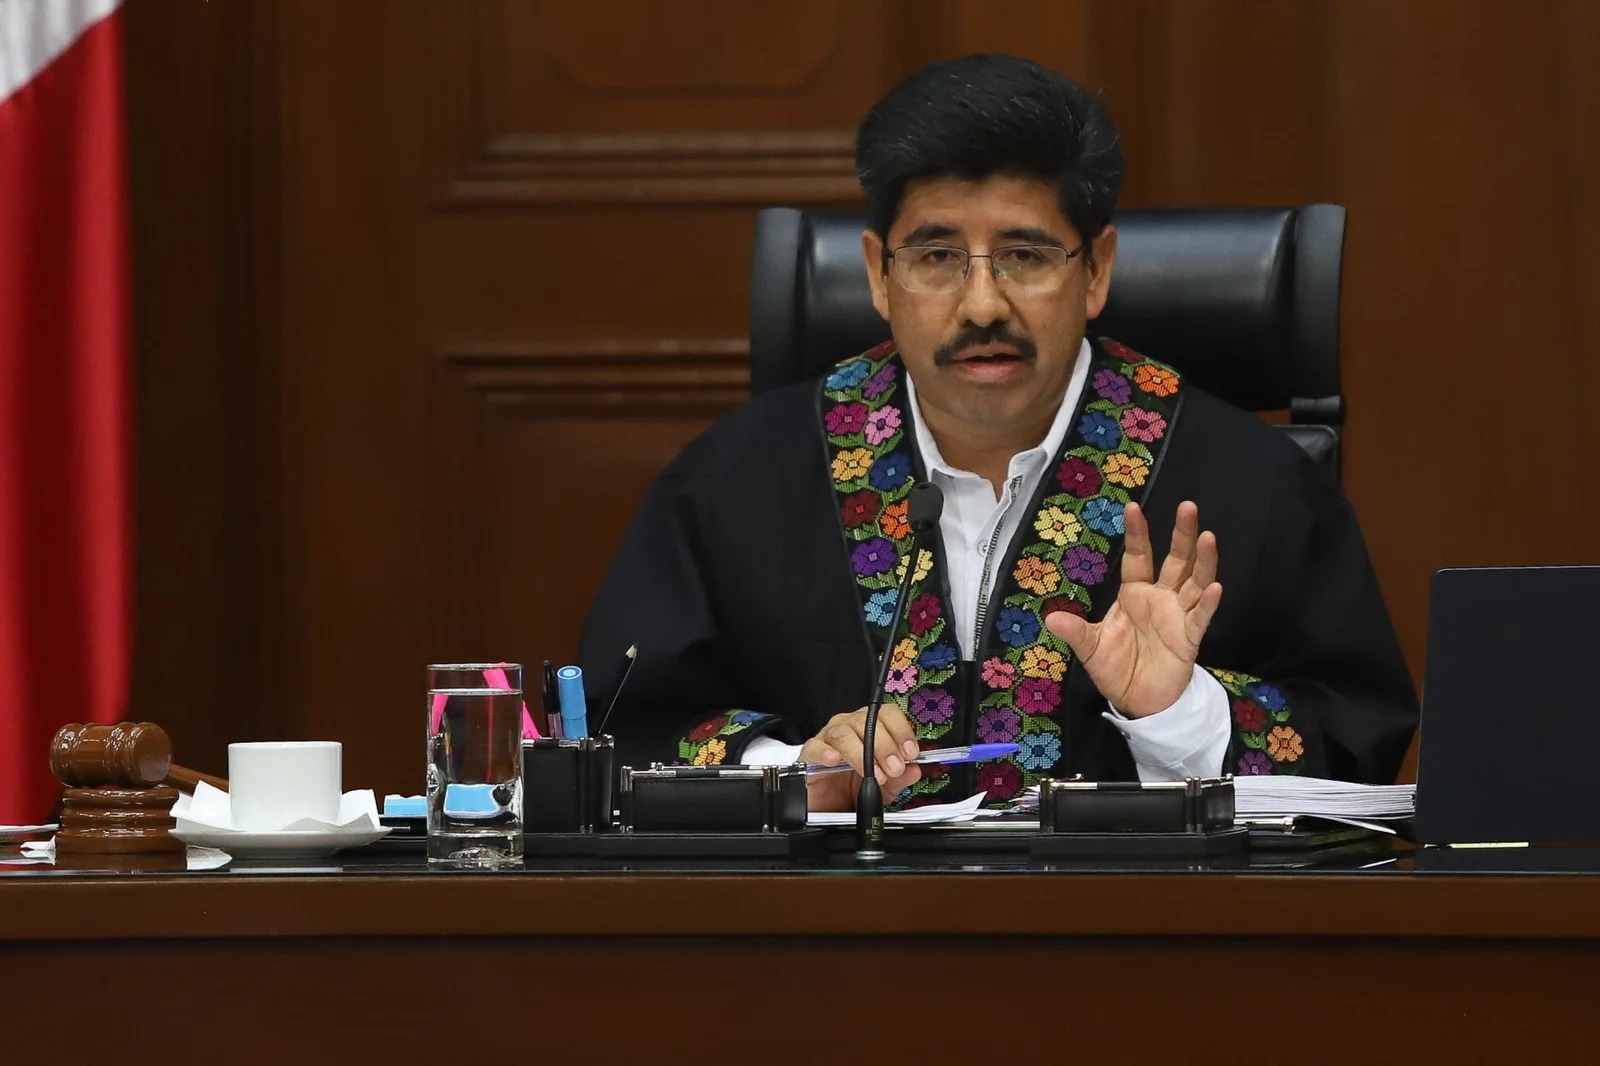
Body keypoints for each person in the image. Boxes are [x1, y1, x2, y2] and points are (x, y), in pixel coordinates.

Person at [578, 54, 1417, 811]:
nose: (983, 305)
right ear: (878, 274)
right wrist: (796, 772)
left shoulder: (1252, 485)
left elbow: (1359, 749)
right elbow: (623, 730)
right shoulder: (734, 483)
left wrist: (1178, 713)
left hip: (1142, 929)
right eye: (937, 257)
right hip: (837, 933)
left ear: (1097, 271)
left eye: (1025, 255)